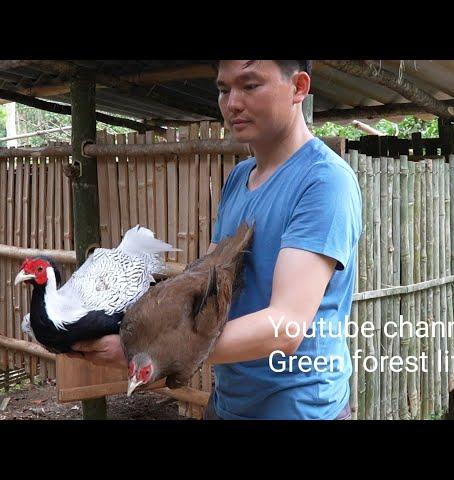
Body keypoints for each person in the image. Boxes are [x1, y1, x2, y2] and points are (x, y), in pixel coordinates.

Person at [70, 60, 362, 420]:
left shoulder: (324, 181)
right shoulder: (240, 178)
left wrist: (146, 351)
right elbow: (205, 282)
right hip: (228, 403)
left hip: (299, 409)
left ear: (299, 87)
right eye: (224, 90)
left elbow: (285, 328)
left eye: (250, 86)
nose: (232, 103)